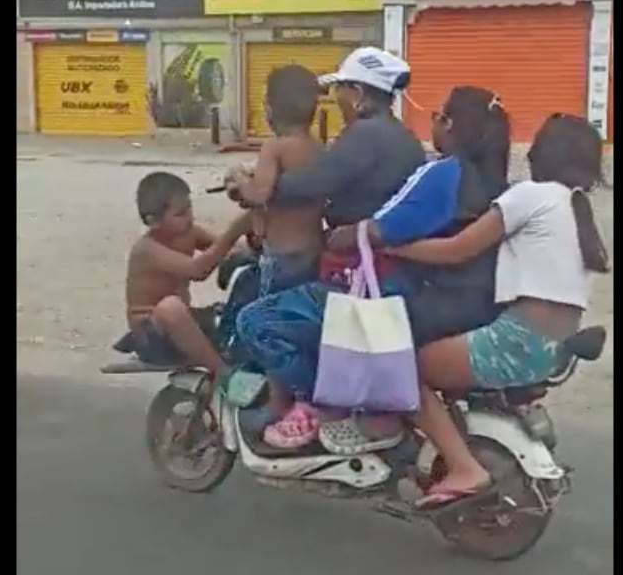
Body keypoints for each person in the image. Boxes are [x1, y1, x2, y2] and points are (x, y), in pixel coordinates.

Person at [386, 113, 609, 508]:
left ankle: (463, 467)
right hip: (550, 347)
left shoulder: (530, 196)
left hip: (517, 341)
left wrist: (391, 246)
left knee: (406, 370)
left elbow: (458, 249)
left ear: (543, 152)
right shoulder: (576, 208)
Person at [228, 47, 426, 448]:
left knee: (254, 322)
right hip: (378, 265)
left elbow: (313, 182)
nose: (336, 101)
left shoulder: (364, 137)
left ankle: (315, 402)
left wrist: (252, 189)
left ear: (358, 93)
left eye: (341, 92)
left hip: (360, 274)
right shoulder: (402, 138)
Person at [121, 172, 253, 378]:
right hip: (153, 333)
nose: (190, 217)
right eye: (180, 214)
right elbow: (197, 270)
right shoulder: (147, 249)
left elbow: (229, 248)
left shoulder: (189, 232)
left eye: (189, 208)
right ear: (153, 221)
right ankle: (223, 374)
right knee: (170, 307)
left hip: (186, 319)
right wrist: (234, 231)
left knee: (233, 314)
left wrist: (258, 247)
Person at [226, 64, 326, 298]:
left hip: (281, 254)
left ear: (270, 110)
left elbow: (258, 195)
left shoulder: (275, 147)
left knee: (270, 308)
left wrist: (238, 176)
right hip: (312, 249)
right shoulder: (317, 147)